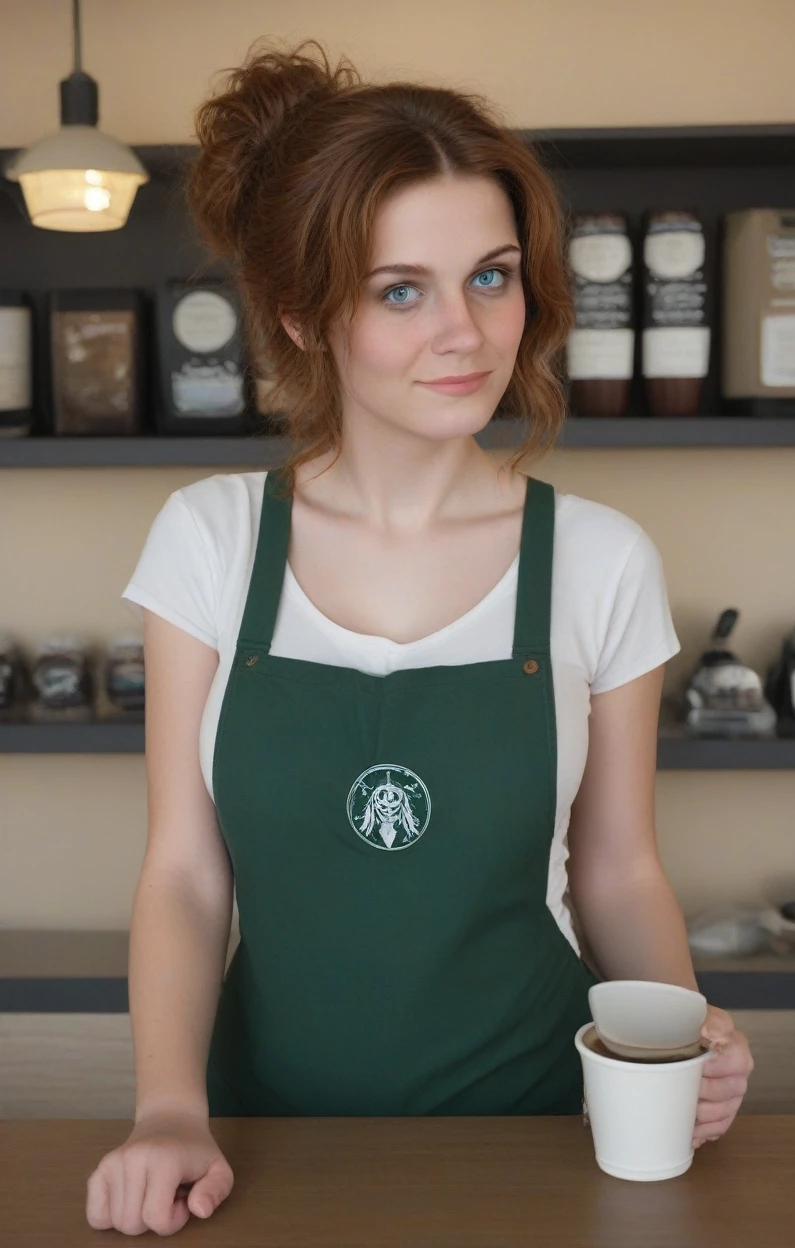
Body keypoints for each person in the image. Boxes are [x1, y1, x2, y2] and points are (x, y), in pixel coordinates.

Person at [86, 38, 754, 1237]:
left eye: (491, 277)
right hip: (256, 1143)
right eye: (402, 289)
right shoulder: (210, 541)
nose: (466, 331)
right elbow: (187, 873)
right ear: (301, 313)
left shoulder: (599, 559)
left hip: (549, 1137)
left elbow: (615, 869)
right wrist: (169, 1109)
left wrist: (673, 1044)